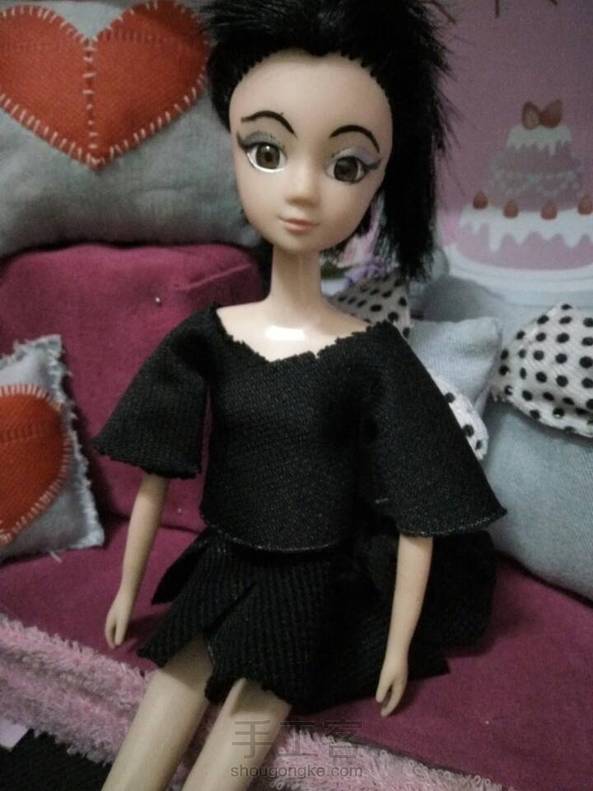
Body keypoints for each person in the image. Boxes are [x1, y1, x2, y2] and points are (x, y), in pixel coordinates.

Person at [92, 2, 506, 789]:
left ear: (379, 180)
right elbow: (155, 472)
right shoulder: (209, 338)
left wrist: (394, 644)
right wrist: (126, 585)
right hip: (222, 559)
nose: (304, 190)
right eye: (267, 150)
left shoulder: (372, 357)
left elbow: (419, 512)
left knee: (238, 744)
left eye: (346, 164)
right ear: (233, 151)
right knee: (164, 702)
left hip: (310, 586)